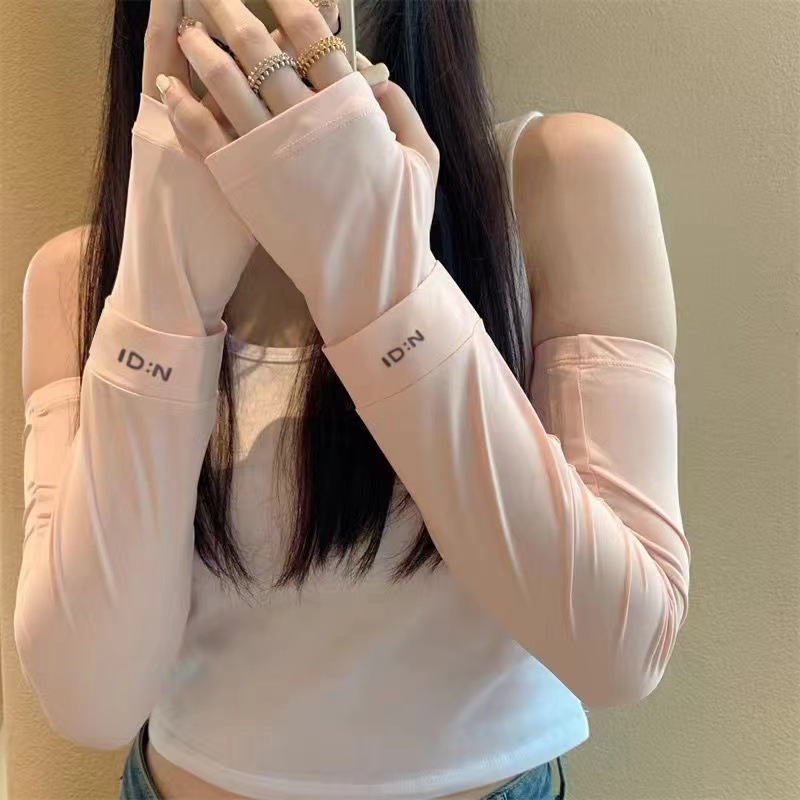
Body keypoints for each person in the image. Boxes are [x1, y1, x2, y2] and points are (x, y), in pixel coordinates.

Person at [16, 0, 691, 798]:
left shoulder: (556, 182)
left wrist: (378, 274)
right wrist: (162, 290)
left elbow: (620, 650)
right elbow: (91, 699)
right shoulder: (79, 278)